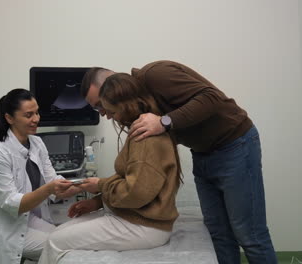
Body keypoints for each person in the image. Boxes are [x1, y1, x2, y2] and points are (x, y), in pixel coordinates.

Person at [80, 60, 277, 264]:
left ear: (114, 85)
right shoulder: (142, 110)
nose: (105, 113)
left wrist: (165, 122)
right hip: (202, 153)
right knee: (218, 232)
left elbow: (212, 98)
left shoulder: (156, 75)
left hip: (235, 144)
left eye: (101, 104)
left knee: (250, 235)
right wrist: (99, 199)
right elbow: (138, 179)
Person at [37, 73, 182, 264]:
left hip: (146, 226)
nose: (110, 117)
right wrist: (98, 202)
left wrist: (101, 186)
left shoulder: (145, 138)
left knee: (55, 241)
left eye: (112, 112)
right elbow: (132, 179)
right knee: (59, 232)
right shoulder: (143, 130)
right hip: (135, 217)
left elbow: (136, 193)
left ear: (126, 104)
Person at [0, 89, 82, 264]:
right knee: (61, 247)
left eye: (37, 112)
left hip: (28, 220)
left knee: (67, 239)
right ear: (9, 118)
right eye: (28, 115)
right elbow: (12, 203)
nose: (36, 119)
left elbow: (52, 179)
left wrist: (77, 186)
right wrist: (49, 189)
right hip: (5, 228)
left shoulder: (36, 142)